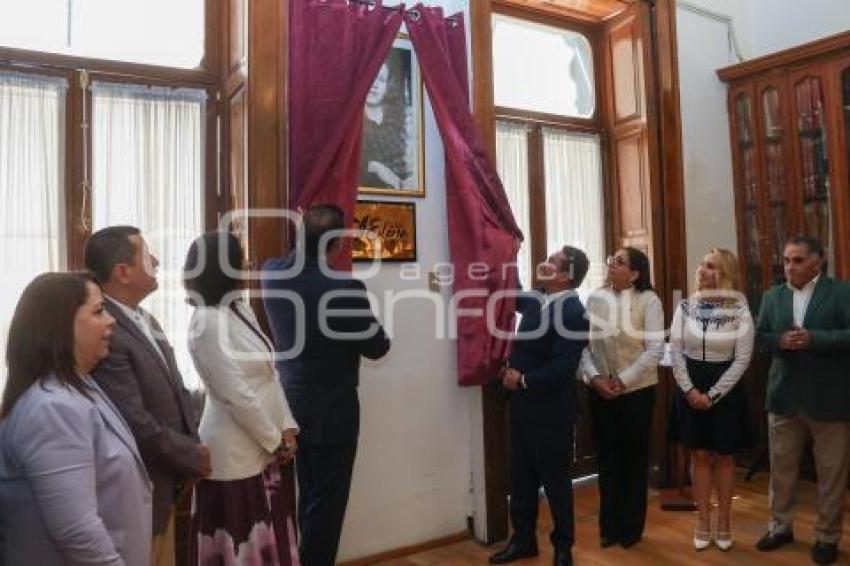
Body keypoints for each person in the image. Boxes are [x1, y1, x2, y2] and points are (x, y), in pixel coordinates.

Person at [262, 204, 391, 566]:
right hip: (333, 410)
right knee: (327, 506)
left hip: (290, 404)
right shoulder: (345, 288)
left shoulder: (271, 273)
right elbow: (378, 346)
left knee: (307, 498)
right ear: (337, 246)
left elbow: (292, 261)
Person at [0, 272, 152, 565]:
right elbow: (77, 532)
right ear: (59, 326)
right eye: (98, 311)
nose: (111, 320)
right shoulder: (52, 407)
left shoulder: (80, 385)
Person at [85, 226, 212, 566]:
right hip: (141, 487)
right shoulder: (106, 329)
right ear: (122, 272)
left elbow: (174, 389)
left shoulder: (144, 317)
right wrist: (191, 455)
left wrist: (192, 444)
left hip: (166, 484)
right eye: (146, 256)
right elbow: (134, 420)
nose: (155, 260)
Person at [184, 232, 300, 565]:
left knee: (270, 541)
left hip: (261, 444)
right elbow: (236, 395)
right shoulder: (207, 322)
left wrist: (287, 426)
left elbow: (268, 375)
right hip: (233, 450)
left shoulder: (237, 307)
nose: (247, 265)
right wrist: (274, 440)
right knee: (242, 546)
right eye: (241, 260)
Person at [489, 246, 590, 566]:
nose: (543, 263)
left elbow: (563, 368)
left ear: (564, 275)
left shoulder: (573, 311)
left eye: (551, 261)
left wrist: (521, 380)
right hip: (522, 408)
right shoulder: (536, 298)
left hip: (551, 411)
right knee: (521, 479)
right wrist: (501, 249)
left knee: (556, 482)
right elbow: (510, 292)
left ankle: (563, 548)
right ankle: (523, 540)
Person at [754, 236, 850, 565]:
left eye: (797, 260)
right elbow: (761, 337)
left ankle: (827, 536)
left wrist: (815, 339)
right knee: (781, 471)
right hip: (783, 397)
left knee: (831, 474)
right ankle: (780, 527)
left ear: (817, 262)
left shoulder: (841, 292)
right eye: (786, 260)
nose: (789, 266)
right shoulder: (772, 296)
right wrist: (780, 340)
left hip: (829, 399)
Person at [668, 248, 754, 551]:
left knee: (725, 456)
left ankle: (724, 521)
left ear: (726, 273)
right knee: (700, 455)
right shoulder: (686, 306)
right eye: (703, 265)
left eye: (712, 266)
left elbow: (742, 358)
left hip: (725, 388)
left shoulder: (739, 307)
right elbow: (675, 352)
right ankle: (703, 520)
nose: (703, 270)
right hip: (689, 384)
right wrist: (690, 391)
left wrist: (714, 394)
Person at [580, 247, 664, 549]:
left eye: (619, 262)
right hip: (600, 391)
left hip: (637, 393)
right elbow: (583, 347)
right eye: (611, 261)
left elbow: (654, 351)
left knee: (632, 459)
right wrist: (595, 378)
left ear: (635, 273)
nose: (611, 265)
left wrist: (622, 380)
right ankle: (609, 526)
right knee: (608, 459)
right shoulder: (595, 298)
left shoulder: (649, 300)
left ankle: (631, 527)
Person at [360, 51, 415, 191]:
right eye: (371, 78)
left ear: (387, 86)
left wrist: (414, 179)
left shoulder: (402, 118)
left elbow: (413, 163)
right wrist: (376, 167)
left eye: (381, 80)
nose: (374, 85)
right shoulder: (353, 124)